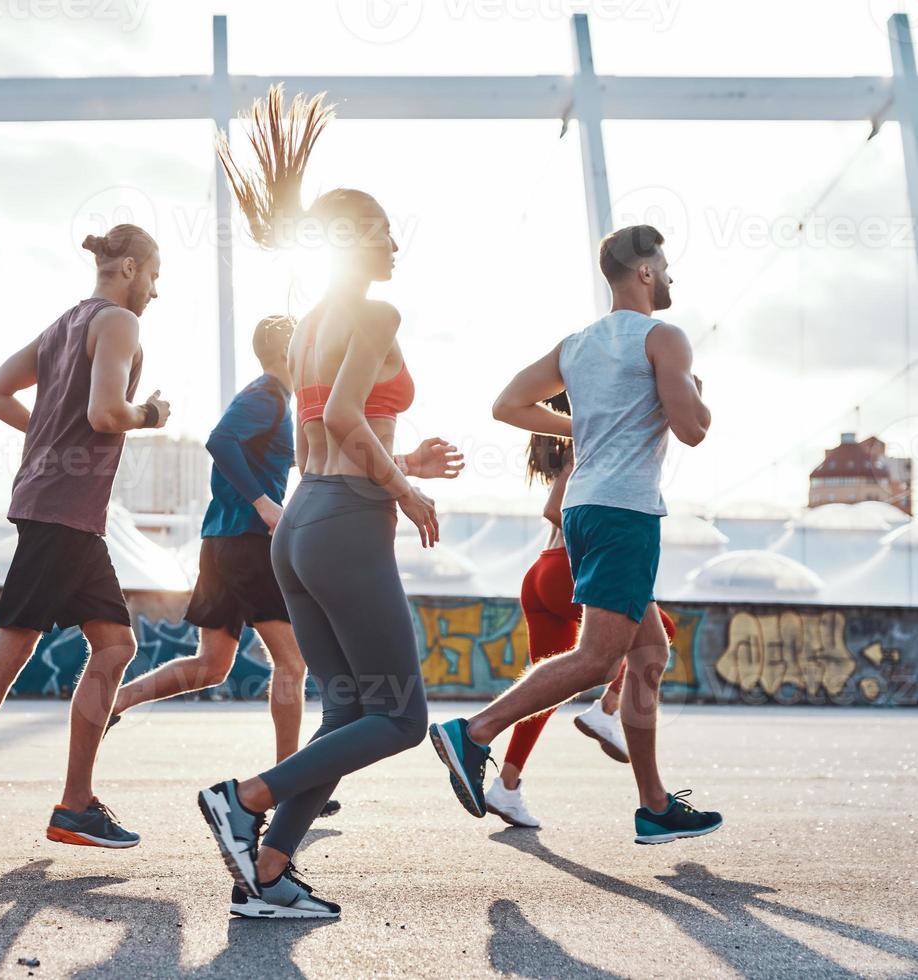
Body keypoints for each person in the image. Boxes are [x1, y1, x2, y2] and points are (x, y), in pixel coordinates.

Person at [196, 87, 463, 919]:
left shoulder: (311, 319)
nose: (393, 241)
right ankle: (242, 798)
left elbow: (328, 422)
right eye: (381, 228)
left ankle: (268, 872)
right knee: (401, 716)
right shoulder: (376, 311)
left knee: (347, 705)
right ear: (353, 237)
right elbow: (345, 417)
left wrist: (396, 460)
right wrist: (407, 488)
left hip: (303, 521)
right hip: (345, 523)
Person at [430, 224, 723, 846]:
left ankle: (653, 805)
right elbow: (691, 429)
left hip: (584, 507)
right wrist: (698, 396)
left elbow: (506, 405)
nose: (669, 276)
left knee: (649, 654)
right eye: (664, 266)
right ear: (643, 272)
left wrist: (587, 422)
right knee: (598, 658)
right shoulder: (665, 337)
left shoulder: (578, 344)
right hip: (625, 512)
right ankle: (474, 732)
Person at [0, 224, 169, 872]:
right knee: (14, 643)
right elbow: (107, 414)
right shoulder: (119, 324)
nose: (156, 294)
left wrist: (46, 432)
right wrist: (151, 414)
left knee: (115, 645)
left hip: (67, 510)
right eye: (154, 278)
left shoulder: (64, 325)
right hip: (64, 511)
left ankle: (75, 804)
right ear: (129, 268)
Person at [110, 313, 345, 816]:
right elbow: (219, 440)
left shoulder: (283, 402)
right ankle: (292, 780)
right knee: (293, 661)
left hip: (222, 543)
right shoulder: (266, 394)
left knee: (211, 666)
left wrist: (401, 465)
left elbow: (315, 461)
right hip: (245, 543)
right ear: (290, 351)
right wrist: (263, 502)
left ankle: (116, 702)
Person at [483, 392, 678, 829]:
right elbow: (555, 508)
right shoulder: (592, 439)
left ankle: (507, 786)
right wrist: (598, 553)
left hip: (540, 575)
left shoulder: (584, 440)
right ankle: (607, 710)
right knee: (659, 635)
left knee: (548, 686)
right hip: (566, 570)